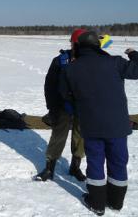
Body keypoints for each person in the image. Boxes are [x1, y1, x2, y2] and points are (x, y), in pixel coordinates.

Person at [60, 31, 138, 215]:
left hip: (91, 125)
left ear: (79, 46)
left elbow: (65, 94)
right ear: (97, 45)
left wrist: (78, 107)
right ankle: (116, 202)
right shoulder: (115, 62)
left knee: (95, 162)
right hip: (117, 125)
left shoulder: (71, 68)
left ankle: (97, 203)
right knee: (118, 161)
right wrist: (134, 54)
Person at [34, 29, 87, 182]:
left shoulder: (91, 61)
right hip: (62, 107)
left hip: (83, 107)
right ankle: (49, 168)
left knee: (80, 137)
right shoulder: (60, 60)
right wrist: (51, 107)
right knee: (58, 137)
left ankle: (75, 167)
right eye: (74, 43)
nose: (76, 46)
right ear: (71, 43)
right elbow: (49, 85)